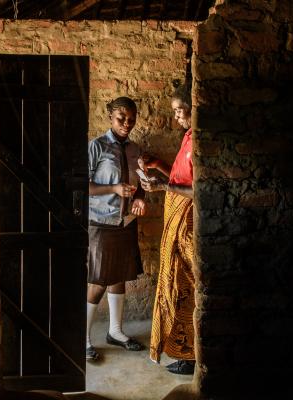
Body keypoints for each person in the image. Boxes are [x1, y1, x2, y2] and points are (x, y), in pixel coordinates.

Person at [139, 83, 196, 375]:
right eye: (174, 112)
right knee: (172, 281)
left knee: (184, 285)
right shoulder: (188, 137)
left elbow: (198, 188)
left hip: (187, 223)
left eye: (180, 111)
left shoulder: (200, 142)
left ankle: (190, 354)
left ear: (193, 107)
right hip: (176, 216)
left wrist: (162, 186)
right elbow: (179, 177)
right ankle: (180, 350)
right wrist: (157, 166)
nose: (177, 117)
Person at [86, 96, 147, 362]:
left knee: (119, 275)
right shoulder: (96, 146)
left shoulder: (135, 149)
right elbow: (82, 185)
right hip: (101, 221)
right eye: (121, 118)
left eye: (131, 119)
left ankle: (115, 331)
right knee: (99, 279)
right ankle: (83, 338)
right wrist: (113, 188)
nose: (126, 124)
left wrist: (140, 197)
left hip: (126, 222)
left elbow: (142, 181)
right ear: (110, 116)